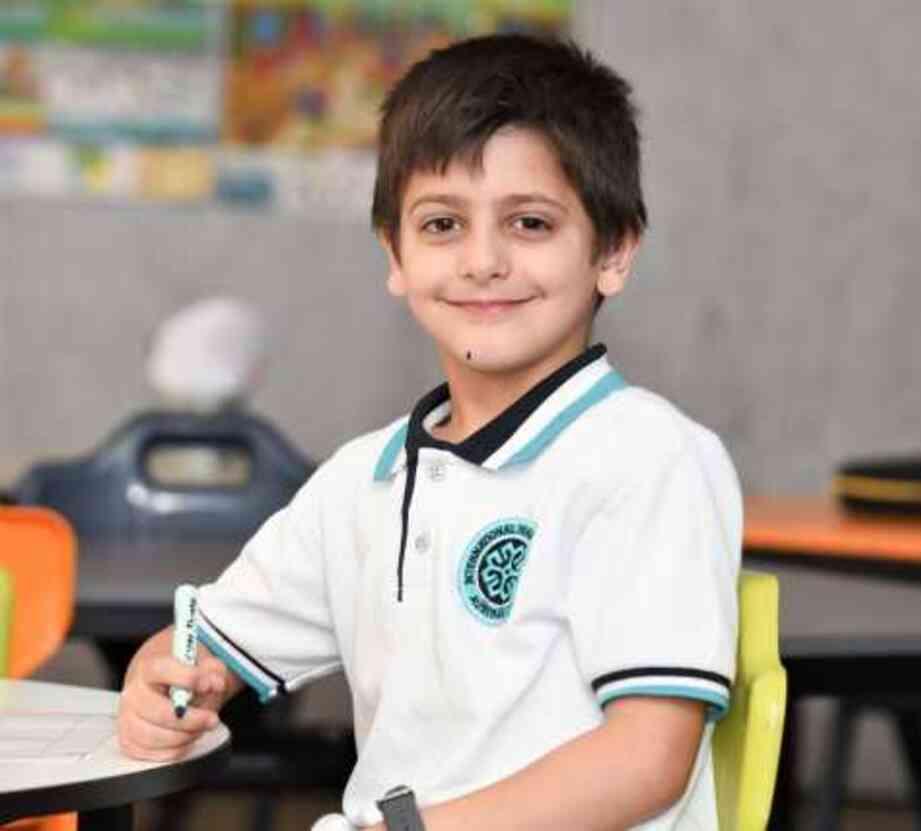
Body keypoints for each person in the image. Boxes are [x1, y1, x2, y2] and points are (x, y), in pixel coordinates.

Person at [117, 33, 742, 830]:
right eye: (443, 224)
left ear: (612, 250)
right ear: (396, 254)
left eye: (529, 223)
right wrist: (160, 684)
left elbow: (646, 760)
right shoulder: (363, 479)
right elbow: (203, 643)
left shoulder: (648, 458)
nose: (482, 261)